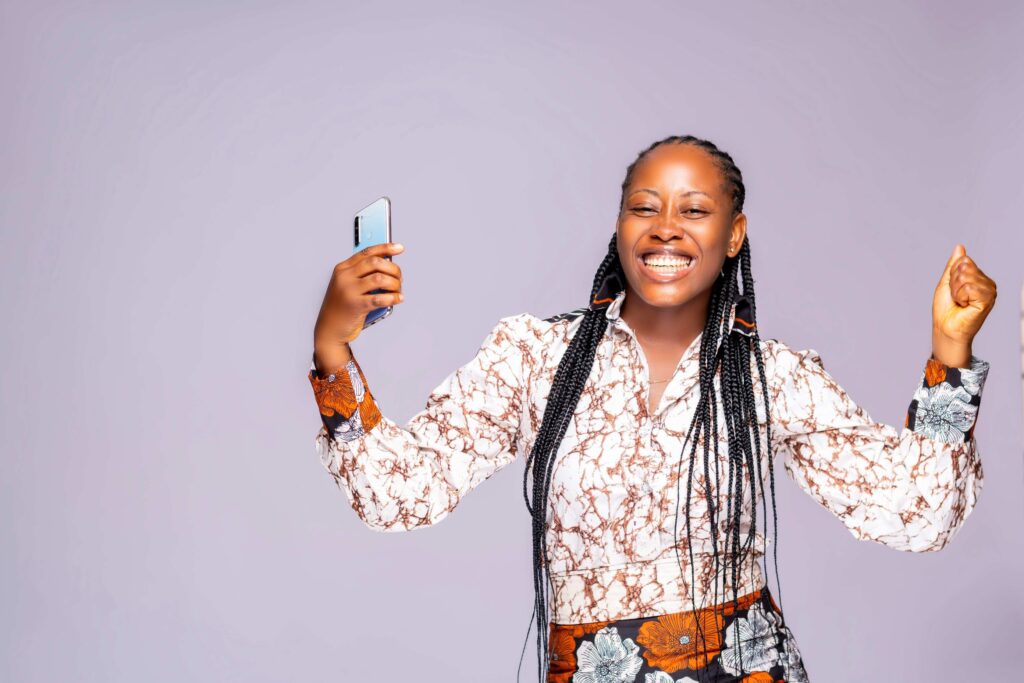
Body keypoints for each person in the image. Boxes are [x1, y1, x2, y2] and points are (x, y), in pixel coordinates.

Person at [307, 135, 996, 683]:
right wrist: (333, 346)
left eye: (694, 209)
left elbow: (916, 512)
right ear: (619, 225)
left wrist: (951, 349)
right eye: (645, 206)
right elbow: (399, 494)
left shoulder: (767, 373)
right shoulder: (533, 357)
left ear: (734, 233)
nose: (666, 228)